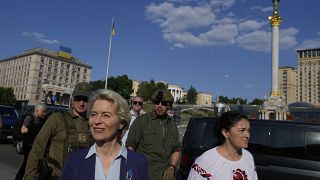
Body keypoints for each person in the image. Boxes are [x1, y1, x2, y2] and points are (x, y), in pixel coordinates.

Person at [61, 89, 148, 180]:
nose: (97, 121)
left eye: (105, 115)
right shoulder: (74, 160)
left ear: (121, 123)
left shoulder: (138, 162)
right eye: (93, 114)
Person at [25, 82, 93, 180]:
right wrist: (30, 177)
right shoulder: (57, 119)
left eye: (86, 99)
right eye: (78, 98)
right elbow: (37, 148)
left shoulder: (94, 123)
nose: (81, 103)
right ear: (72, 99)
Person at [126, 90, 181, 180]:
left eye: (163, 103)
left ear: (169, 105)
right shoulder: (142, 121)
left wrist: (172, 168)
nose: (159, 105)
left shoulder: (172, 126)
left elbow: (176, 149)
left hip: (164, 175)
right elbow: (130, 145)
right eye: (156, 102)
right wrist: (132, 168)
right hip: (143, 174)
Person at [187, 111, 258, 180]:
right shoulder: (206, 161)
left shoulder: (248, 157)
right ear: (226, 132)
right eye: (241, 130)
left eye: (249, 130)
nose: (247, 135)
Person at [15, 103, 47, 180]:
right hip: (28, 145)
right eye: (43, 112)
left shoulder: (40, 119)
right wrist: (34, 127)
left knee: (31, 166)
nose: (44, 113)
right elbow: (23, 130)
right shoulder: (29, 117)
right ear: (37, 110)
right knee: (26, 165)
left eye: (45, 112)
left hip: (34, 145)